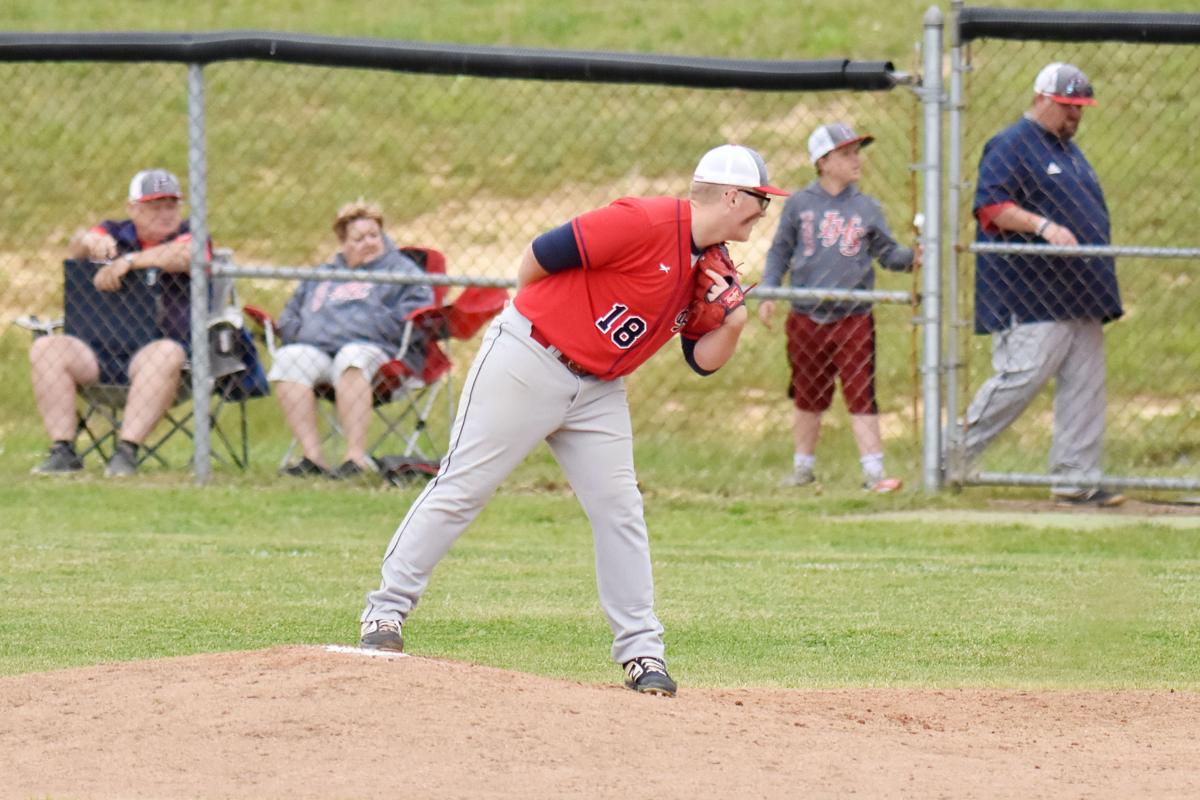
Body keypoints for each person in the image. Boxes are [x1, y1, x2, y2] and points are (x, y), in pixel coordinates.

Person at [358, 144, 787, 697]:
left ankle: (642, 653)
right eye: (758, 201)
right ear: (730, 195)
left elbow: (700, 362)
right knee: (464, 485)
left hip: (600, 390)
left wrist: (732, 322)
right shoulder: (645, 220)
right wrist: (541, 320)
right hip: (530, 358)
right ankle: (384, 613)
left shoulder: (710, 262)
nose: (762, 211)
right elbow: (541, 255)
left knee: (620, 510)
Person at [962, 62, 1124, 507]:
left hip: (1082, 295)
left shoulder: (1071, 152)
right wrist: (1043, 225)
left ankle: (1076, 480)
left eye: (1080, 108)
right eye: (1067, 106)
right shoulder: (1012, 144)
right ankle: (946, 460)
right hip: (1031, 293)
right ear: (1040, 98)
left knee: (1086, 388)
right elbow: (991, 206)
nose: (1075, 115)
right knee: (1019, 380)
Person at [759, 123, 917, 493]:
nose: (855, 160)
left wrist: (913, 258)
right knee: (808, 392)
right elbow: (780, 250)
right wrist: (769, 291)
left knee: (861, 389)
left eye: (856, 153)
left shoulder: (866, 208)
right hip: (806, 313)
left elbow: (887, 254)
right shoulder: (800, 204)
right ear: (824, 161)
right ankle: (803, 468)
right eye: (846, 154)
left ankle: (874, 472)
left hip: (854, 315)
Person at [29, 168, 199, 478]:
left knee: (165, 354)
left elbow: (188, 255)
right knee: (46, 348)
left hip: (157, 357)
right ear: (132, 208)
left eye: (170, 206)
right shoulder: (115, 232)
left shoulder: (189, 235)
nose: (165, 214)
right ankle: (63, 450)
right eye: (154, 207)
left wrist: (131, 261)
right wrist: (90, 240)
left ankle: (126, 452)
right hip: (98, 353)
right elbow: (77, 244)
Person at [269, 201, 435, 480]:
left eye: (374, 235)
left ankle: (355, 458)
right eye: (359, 239)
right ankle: (313, 458)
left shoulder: (402, 272)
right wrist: (308, 333)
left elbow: (414, 314)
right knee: (289, 359)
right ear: (343, 244)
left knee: (351, 356)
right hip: (319, 349)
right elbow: (289, 318)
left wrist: (346, 327)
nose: (369, 243)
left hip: (378, 354)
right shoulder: (322, 275)